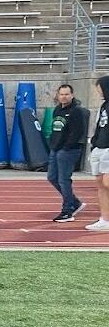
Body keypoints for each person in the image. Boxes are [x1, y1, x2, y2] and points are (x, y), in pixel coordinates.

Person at [47, 84, 87, 223]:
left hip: (69, 150)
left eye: (66, 94)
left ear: (72, 95)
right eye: (61, 94)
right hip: (56, 148)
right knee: (52, 177)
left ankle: (67, 211)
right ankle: (74, 202)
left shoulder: (77, 111)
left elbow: (77, 132)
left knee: (64, 180)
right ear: (58, 95)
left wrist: (66, 147)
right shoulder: (57, 110)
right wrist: (53, 145)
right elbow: (55, 129)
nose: (64, 97)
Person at [86, 75, 109, 232]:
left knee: (107, 182)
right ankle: (105, 219)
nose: (98, 90)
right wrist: (93, 144)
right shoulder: (104, 106)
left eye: (99, 87)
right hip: (99, 146)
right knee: (100, 184)